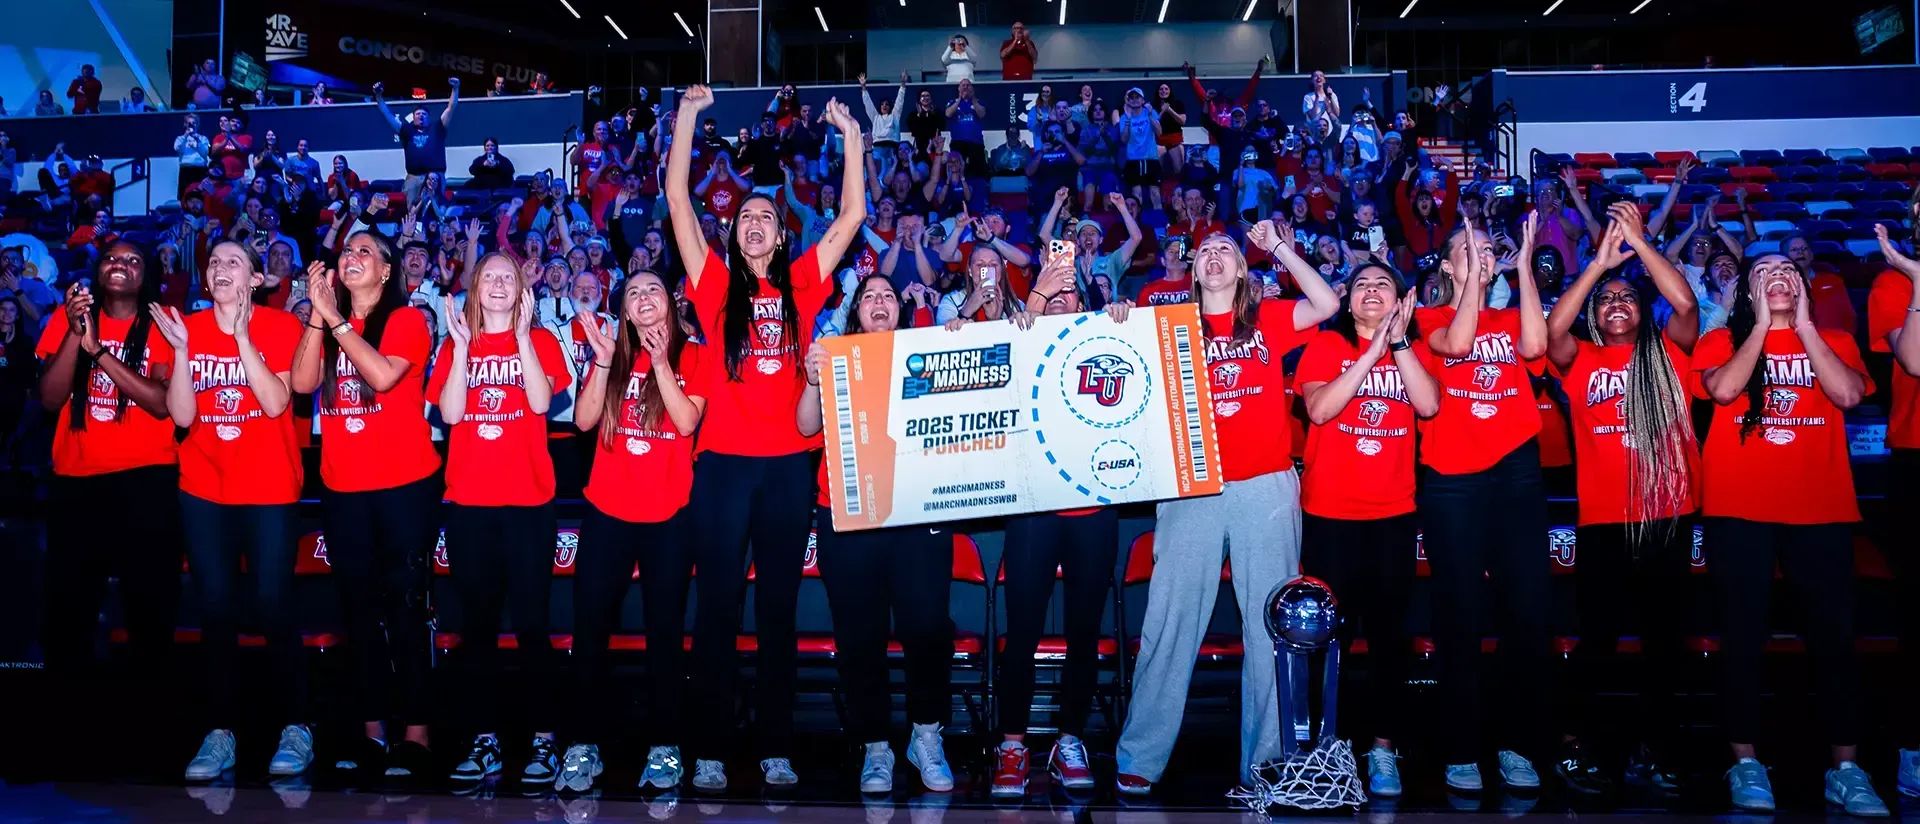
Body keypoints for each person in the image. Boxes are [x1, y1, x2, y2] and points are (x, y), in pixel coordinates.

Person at [664, 86, 867, 790]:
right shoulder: (714, 287)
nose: (753, 223)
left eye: (764, 217)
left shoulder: (804, 283)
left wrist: (850, 136)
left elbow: (852, 216)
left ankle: (778, 743)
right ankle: (713, 747)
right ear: (733, 233)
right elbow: (679, 203)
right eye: (744, 216)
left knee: (778, 610)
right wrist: (689, 116)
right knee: (717, 607)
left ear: (780, 235)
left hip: (787, 469)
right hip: (720, 468)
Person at [1111, 222, 1340, 796]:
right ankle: (1141, 753)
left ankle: (1266, 761)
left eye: (1226, 251)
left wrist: (1280, 247)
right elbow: (1106, 362)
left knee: (1273, 626)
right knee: (1170, 620)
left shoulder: (1268, 319)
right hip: (1192, 487)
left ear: (1241, 270)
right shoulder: (1167, 326)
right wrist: (1114, 316)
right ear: (1193, 271)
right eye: (1205, 251)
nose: (1213, 256)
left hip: (1265, 484)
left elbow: (1328, 302)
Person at [1692, 252, 1887, 816]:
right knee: (1743, 637)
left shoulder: (1834, 340)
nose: (1777, 278)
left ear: (1802, 287)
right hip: (1740, 510)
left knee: (1834, 640)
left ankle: (1846, 770)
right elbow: (1725, 392)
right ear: (1748, 293)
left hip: (1821, 510)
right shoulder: (1719, 343)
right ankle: (1746, 762)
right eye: (1763, 274)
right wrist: (1758, 327)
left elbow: (1849, 395)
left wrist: (1803, 328)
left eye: (1787, 272)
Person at [1543, 204, 1699, 794]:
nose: (1615, 304)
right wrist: (1599, 266)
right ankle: (1588, 745)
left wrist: (1639, 243)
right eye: (1605, 301)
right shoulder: (1582, 360)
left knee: (1665, 642)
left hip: (1666, 515)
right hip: (1605, 520)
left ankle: (1658, 747)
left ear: (1644, 311)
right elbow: (1554, 332)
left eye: (1626, 298)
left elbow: (1685, 305)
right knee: (1599, 642)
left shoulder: (1672, 353)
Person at [150, 241, 307, 781]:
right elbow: (181, 415)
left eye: (233, 262)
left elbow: (276, 402)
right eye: (214, 262)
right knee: (214, 607)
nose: (219, 268)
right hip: (203, 487)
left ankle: (296, 725)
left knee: (271, 603)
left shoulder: (282, 326)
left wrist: (241, 338)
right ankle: (221, 732)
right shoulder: (185, 326)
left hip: (267, 487)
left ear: (257, 278)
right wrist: (185, 353)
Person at [289, 231, 442, 778]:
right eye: (344, 252)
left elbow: (380, 376)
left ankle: (418, 731)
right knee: (358, 610)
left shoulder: (406, 319)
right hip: (344, 487)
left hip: (404, 486)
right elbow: (303, 383)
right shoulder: (328, 324)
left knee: (406, 608)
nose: (349, 259)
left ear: (385, 271)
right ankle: (373, 729)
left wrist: (333, 320)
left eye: (364, 253)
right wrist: (316, 317)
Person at [797, 275, 956, 794]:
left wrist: (960, 347)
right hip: (848, 518)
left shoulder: (926, 356)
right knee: (859, 636)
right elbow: (803, 427)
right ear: (855, 312)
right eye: (869, 296)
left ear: (901, 310)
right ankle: (875, 745)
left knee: (929, 627)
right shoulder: (835, 356)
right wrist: (813, 379)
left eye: (889, 295)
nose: (880, 302)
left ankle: (926, 734)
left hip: (916, 516)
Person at [983, 250, 1133, 798]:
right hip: (1034, 510)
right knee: (1021, 630)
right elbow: (997, 360)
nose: (1063, 299)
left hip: (1094, 510)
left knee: (1084, 634)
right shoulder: (1021, 334)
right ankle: (1014, 745)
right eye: (1053, 292)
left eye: (1072, 293)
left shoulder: (1107, 336)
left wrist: (1126, 321)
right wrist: (1040, 295)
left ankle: (1070, 738)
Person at [552, 270, 708, 793]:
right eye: (633, 292)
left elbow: (686, 422)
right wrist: (599, 361)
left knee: (664, 634)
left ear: (671, 302)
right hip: (608, 511)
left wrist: (661, 362)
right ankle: (582, 744)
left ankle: (665, 745)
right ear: (623, 308)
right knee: (590, 630)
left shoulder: (696, 356)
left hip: (669, 514)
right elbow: (582, 421)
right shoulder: (611, 354)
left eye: (653, 290)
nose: (642, 298)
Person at [1414, 216, 1550, 792]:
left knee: (1527, 612)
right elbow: (1459, 343)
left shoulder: (1509, 314)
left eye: (1487, 248)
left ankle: (1519, 744)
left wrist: (1520, 266)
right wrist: (1475, 274)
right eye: (1466, 250)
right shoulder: (1425, 318)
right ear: (1447, 265)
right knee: (1461, 614)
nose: (1481, 254)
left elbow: (1539, 347)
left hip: (1516, 470)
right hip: (1452, 477)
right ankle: (1462, 747)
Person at [427, 254, 569, 786]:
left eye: (509, 276)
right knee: (478, 629)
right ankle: (483, 737)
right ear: (474, 286)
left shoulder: (543, 341)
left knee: (532, 626)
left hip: (529, 505)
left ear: (522, 287)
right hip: (469, 505)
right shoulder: (452, 344)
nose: (500, 284)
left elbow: (538, 400)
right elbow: (452, 414)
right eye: (490, 277)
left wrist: (526, 337)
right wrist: (463, 347)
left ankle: (542, 739)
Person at [35, 244, 179, 724]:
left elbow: (160, 402)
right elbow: (51, 399)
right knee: (70, 607)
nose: (120, 265)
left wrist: (99, 351)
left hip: (146, 481)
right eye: (111, 259)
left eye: (133, 261)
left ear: (148, 277)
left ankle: (148, 720)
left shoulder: (162, 321)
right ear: (97, 271)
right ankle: (69, 721)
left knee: (148, 606)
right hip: (76, 481)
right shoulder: (67, 318)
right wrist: (78, 336)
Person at [373, 78, 460, 208]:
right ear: (413, 118)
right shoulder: (407, 130)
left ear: (428, 117)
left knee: (435, 210)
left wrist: (455, 88)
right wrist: (378, 96)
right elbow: (387, 115)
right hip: (413, 178)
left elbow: (451, 107)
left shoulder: (438, 128)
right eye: (418, 114)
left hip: (435, 177)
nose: (420, 116)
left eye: (424, 114)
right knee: (411, 211)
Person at [1117, 88, 1164, 210]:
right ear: (1128, 101)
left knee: (1155, 193)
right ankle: (1137, 224)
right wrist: (1127, 119)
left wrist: (1149, 115)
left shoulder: (1150, 112)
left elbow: (1159, 132)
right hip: (1133, 160)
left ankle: (1159, 225)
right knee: (1136, 194)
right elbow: (1123, 140)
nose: (1134, 100)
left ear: (1142, 100)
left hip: (1151, 159)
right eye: (1131, 97)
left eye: (1137, 97)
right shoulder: (1124, 117)